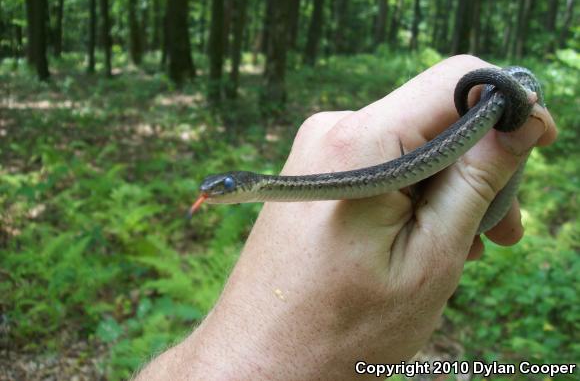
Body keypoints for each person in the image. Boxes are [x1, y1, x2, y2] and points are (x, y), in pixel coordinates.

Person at [135, 56, 557, 380]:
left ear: (245, 185)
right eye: (217, 190)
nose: (214, 194)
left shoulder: (279, 186)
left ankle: (508, 88)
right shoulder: (276, 188)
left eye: (224, 187)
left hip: (500, 96)